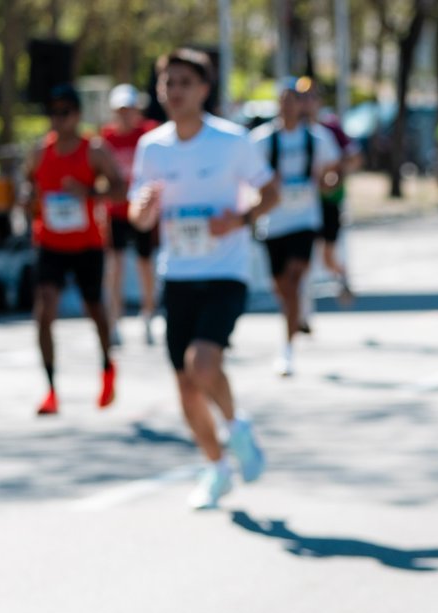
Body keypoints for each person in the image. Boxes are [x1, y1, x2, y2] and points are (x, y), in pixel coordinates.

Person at [129, 48, 280, 510]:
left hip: (225, 272)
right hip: (179, 274)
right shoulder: (152, 147)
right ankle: (216, 468)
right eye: (167, 84)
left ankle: (237, 427)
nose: (174, 92)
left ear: (203, 89)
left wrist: (237, 221)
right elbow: (137, 217)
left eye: (184, 83)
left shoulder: (232, 141)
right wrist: (145, 208)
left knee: (203, 362)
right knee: (186, 387)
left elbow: (270, 192)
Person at [23, 83, 126, 416]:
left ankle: (107, 367)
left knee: (95, 310)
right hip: (50, 243)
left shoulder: (93, 150)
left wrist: (89, 193)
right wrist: (27, 201)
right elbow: (27, 186)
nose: (57, 119)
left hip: (86, 244)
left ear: (78, 115)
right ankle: (51, 390)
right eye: (52, 112)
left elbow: (120, 189)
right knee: (44, 313)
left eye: (64, 112)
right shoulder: (40, 152)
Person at [251, 80, 341, 377]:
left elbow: (332, 171)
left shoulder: (317, 138)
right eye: (285, 100)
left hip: (304, 221)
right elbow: (248, 178)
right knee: (281, 286)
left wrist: (328, 182)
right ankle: (296, 313)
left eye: (296, 100)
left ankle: (287, 348)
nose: (290, 106)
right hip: (273, 223)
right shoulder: (262, 139)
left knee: (294, 278)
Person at [101, 83, 159, 346]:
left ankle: (148, 315)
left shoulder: (149, 134)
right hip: (116, 212)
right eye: (121, 109)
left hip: (143, 211)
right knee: (115, 266)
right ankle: (115, 319)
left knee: (145, 264)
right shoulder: (106, 139)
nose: (125, 114)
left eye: (130, 108)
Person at [301, 79, 358, 306]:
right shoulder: (288, 129)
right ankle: (302, 312)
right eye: (301, 98)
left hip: (328, 202)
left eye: (310, 97)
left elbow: (353, 158)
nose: (305, 103)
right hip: (300, 205)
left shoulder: (330, 128)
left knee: (327, 257)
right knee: (300, 261)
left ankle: (341, 276)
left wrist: (335, 178)